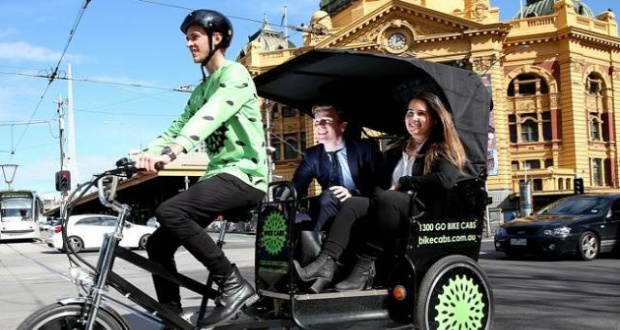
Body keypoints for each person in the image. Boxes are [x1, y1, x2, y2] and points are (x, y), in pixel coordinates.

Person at [134, 9, 268, 327]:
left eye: (194, 37)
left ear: (216, 38)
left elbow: (210, 116)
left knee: (170, 211)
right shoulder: (199, 91)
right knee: (158, 243)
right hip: (219, 175)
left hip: (246, 175)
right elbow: (177, 126)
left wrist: (175, 151)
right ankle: (171, 310)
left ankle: (232, 283)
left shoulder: (235, 75)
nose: (188, 44)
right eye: (187, 38)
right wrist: (144, 156)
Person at [332, 90, 467, 291]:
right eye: (410, 113)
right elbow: (378, 184)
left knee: (388, 198)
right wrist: (357, 194)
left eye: (421, 113)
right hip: (389, 208)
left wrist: (406, 182)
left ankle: (364, 267)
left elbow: (444, 180)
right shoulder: (395, 150)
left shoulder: (442, 148)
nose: (413, 118)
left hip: (422, 212)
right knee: (353, 204)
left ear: (435, 119)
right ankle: (327, 263)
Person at [291, 104, 382, 293]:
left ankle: (319, 267)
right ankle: (318, 267)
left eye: (327, 121)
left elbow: (381, 182)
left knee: (328, 197)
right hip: (330, 205)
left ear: (342, 126)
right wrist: (279, 201)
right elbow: (296, 187)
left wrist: (354, 194)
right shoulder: (312, 155)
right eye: (316, 122)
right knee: (326, 197)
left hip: (365, 203)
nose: (319, 126)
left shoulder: (366, 148)